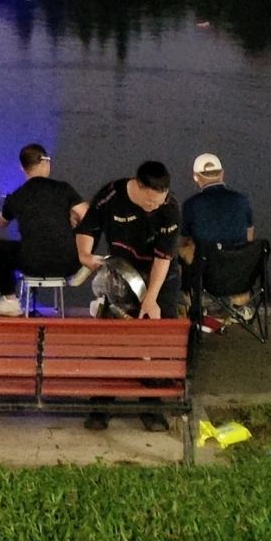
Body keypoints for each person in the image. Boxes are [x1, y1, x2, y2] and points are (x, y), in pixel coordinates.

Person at [75, 159, 181, 431]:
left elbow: (163, 257)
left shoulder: (169, 209)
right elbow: (89, 227)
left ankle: (152, 408)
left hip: (160, 277)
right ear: (139, 186)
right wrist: (85, 255)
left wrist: (152, 299)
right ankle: (101, 408)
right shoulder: (111, 194)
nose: (155, 207)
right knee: (112, 341)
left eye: (160, 201)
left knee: (155, 344)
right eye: (150, 202)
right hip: (122, 272)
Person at [0, 143, 87, 315]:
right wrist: (71, 217)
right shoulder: (63, 189)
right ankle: (85, 261)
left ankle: (10, 300)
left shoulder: (16, 196)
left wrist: (5, 214)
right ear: (45, 163)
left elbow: (1, 222)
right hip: (68, 263)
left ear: (22, 168)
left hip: (32, 263)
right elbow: (88, 216)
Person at [180, 151, 255, 315]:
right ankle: (238, 303)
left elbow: (184, 239)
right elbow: (250, 234)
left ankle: (191, 301)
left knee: (181, 251)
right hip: (238, 273)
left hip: (207, 272)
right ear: (222, 173)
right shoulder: (242, 200)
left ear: (195, 177)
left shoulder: (191, 204)